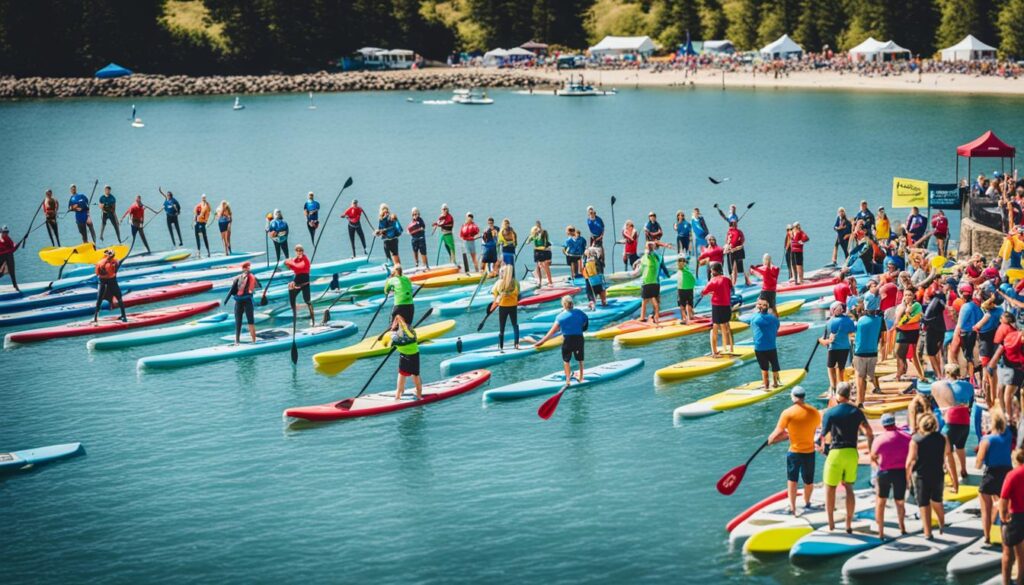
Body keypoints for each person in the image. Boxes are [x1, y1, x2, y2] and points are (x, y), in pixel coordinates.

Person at [820, 382, 873, 533]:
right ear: (849, 395)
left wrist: (822, 448)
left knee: (830, 489)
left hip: (836, 453)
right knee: (849, 487)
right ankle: (848, 524)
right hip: (851, 453)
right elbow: (868, 432)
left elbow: (823, 436)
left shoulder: (830, 412)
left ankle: (831, 524)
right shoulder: (856, 412)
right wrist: (870, 450)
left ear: (837, 394)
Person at [767, 386, 821, 515]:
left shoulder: (787, 413)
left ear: (793, 397)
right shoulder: (814, 412)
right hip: (809, 451)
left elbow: (776, 433)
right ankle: (807, 503)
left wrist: (770, 440)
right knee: (808, 480)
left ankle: (792, 507)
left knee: (792, 480)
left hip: (794, 452)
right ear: (804, 397)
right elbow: (817, 430)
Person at [906, 412, 958, 540]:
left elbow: (910, 461)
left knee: (924, 504)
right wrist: (954, 479)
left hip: (921, 476)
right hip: (938, 475)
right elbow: (948, 457)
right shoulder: (943, 438)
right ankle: (942, 524)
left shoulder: (915, 440)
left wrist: (906, 478)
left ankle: (928, 533)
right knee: (937, 501)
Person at [870, 412, 911, 540]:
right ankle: (902, 528)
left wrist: (878, 466)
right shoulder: (906, 437)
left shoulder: (879, 439)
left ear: (883, 425)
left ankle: (881, 532)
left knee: (880, 502)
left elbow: (873, 457)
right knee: (900, 502)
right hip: (900, 472)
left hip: (884, 472)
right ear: (894, 422)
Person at [534, 295, 589, 384]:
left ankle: (568, 380)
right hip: (579, 338)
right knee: (580, 359)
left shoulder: (560, 317)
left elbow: (551, 332)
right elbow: (585, 321)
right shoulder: (580, 313)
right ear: (572, 304)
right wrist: (580, 327)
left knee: (566, 360)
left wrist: (542, 341)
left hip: (567, 340)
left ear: (563, 305)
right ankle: (581, 377)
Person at [933, 363, 974, 481]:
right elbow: (970, 402)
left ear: (947, 373)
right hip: (965, 421)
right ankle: (964, 470)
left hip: (951, 421)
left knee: (945, 449)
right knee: (960, 447)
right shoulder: (968, 385)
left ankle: (948, 473)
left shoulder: (945, 386)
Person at [978, 409, 1013, 545]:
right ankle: (1008, 536)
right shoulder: (1009, 434)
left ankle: (987, 538)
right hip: (1007, 474)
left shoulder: (986, 439)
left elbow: (978, 463)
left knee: (985, 509)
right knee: (1005, 507)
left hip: (991, 474)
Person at [999, 448, 1024, 584]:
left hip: (1015, 516)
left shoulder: (1013, 474)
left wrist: (1003, 516)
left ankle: (1006, 581)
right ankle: (1020, 580)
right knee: (1021, 551)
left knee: (1008, 553)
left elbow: (1003, 498)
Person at [820, 302, 856, 393]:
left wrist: (820, 340)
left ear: (832, 311)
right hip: (845, 348)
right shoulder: (848, 320)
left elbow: (825, 338)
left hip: (833, 348)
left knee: (830, 367)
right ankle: (840, 387)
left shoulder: (829, 322)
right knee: (841, 368)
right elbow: (852, 332)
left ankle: (833, 386)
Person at [701, 261, 734, 357]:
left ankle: (714, 352)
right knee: (725, 325)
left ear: (714, 271)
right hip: (726, 306)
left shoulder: (713, 280)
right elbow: (727, 288)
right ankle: (727, 348)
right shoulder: (727, 279)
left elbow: (703, 291)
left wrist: (710, 286)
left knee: (714, 328)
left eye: (711, 270)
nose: (710, 272)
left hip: (717, 306)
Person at [852, 305, 884, 404]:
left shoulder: (860, 321)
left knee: (860, 377)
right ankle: (873, 391)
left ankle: (860, 401)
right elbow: (883, 338)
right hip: (873, 352)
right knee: (870, 375)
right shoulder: (879, 320)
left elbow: (855, 334)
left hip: (860, 352)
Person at [224, 261, 260, 344]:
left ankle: (250, 341)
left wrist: (226, 300)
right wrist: (226, 299)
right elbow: (232, 290)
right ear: (244, 268)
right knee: (242, 321)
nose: (248, 269)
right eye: (246, 267)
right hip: (242, 301)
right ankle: (240, 341)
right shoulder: (240, 278)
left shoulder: (249, 277)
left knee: (246, 321)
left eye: (248, 267)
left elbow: (258, 286)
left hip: (244, 301)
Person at [893, 287, 925, 381]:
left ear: (913, 296)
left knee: (914, 355)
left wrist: (907, 313)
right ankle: (900, 374)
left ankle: (921, 374)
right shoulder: (901, 306)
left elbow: (910, 319)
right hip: (902, 331)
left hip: (912, 331)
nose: (907, 297)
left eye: (910, 295)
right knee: (899, 354)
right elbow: (898, 319)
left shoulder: (917, 305)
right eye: (906, 295)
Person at [954, 283, 983, 383]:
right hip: (974, 333)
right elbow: (981, 318)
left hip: (965, 334)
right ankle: (972, 377)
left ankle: (971, 378)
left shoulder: (965, 307)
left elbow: (960, 324)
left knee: (967, 356)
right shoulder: (976, 306)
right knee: (970, 356)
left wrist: (955, 336)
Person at [750, 299, 781, 389]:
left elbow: (749, 323)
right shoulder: (773, 318)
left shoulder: (755, 318)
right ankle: (775, 383)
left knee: (764, 368)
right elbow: (777, 326)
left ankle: (766, 385)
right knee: (774, 366)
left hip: (759, 347)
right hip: (771, 346)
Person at [390, 314, 422, 401]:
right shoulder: (411, 331)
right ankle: (419, 395)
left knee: (402, 374)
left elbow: (391, 343)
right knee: (415, 374)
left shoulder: (393, 335)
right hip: (413, 354)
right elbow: (414, 338)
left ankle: (398, 395)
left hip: (403, 354)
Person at [490, 265, 520, 351]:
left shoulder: (498, 283)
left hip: (503, 307)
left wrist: (493, 306)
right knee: (515, 325)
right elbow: (518, 294)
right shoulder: (515, 282)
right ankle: (516, 344)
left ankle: (501, 346)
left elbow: (495, 295)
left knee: (502, 327)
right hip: (513, 306)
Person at [639, 241, 670, 322]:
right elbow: (663, 267)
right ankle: (656, 315)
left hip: (646, 282)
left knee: (644, 301)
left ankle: (642, 318)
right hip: (656, 282)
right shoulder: (658, 257)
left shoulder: (644, 258)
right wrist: (668, 275)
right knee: (656, 299)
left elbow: (641, 271)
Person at [93, 249, 127, 323]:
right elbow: (100, 272)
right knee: (118, 298)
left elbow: (98, 273)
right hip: (108, 282)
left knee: (100, 299)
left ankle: (95, 318)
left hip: (106, 282)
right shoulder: (112, 262)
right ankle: (124, 316)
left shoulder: (102, 262)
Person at [285, 244, 314, 326]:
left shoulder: (305, 260)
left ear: (303, 251)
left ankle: (312, 319)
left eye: (300, 250)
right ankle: (294, 311)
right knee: (291, 293)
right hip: (297, 280)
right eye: (297, 250)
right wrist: (287, 263)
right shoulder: (295, 259)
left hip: (305, 282)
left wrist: (291, 262)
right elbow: (291, 267)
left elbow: (299, 267)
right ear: (295, 252)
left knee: (307, 301)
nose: (299, 252)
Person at [725, 221, 750, 286]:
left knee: (735, 268)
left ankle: (733, 283)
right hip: (733, 251)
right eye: (735, 224)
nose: (736, 225)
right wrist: (728, 247)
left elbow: (741, 241)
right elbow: (728, 241)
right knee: (736, 268)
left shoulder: (737, 232)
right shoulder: (731, 232)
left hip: (735, 251)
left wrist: (732, 248)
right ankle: (745, 281)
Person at [529, 221, 553, 287]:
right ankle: (540, 282)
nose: (538, 227)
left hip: (544, 251)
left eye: (539, 226)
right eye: (537, 226)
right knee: (538, 267)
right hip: (537, 251)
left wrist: (546, 247)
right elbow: (527, 242)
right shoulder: (534, 234)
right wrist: (531, 236)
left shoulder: (544, 232)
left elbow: (546, 242)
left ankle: (550, 281)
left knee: (545, 266)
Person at [677, 256, 696, 324]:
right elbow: (693, 280)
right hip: (689, 288)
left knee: (682, 304)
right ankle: (690, 316)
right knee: (689, 302)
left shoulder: (681, 269)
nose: (680, 263)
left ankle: (684, 319)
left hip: (682, 289)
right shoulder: (688, 270)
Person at [0, 226, 19, 291]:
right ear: (1, 232)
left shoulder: (7, 238)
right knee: (1, 273)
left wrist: (16, 244)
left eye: (7, 232)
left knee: (12, 271)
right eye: (4, 232)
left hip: (8, 256)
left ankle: (15, 286)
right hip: (1, 257)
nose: (6, 233)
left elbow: (12, 244)